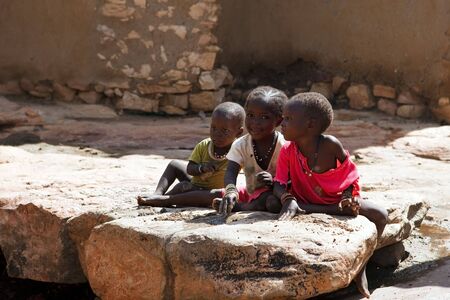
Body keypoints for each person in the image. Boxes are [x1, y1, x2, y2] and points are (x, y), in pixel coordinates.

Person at [273, 92, 388, 298]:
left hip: (337, 202)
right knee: (273, 203)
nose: (282, 122)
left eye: (288, 118)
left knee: (381, 214)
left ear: (311, 125)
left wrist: (347, 197)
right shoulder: (288, 150)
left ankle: (361, 265)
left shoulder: (330, 145)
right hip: (303, 201)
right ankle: (316, 210)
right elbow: (279, 184)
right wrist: (287, 199)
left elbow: (350, 176)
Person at [137, 101, 244, 207]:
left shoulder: (238, 151)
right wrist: (202, 168)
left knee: (182, 186)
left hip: (211, 193)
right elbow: (190, 169)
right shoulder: (204, 145)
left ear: (238, 133)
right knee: (174, 164)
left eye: (224, 130)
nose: (217, 134)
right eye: (213, 128)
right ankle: (158, 194)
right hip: (196, 183)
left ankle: (162, 200)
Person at [216, 86, 288, 215]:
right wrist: (231, 191)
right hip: (251, 191)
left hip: (278, 193)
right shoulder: (241, 144)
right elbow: (231, 171)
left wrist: (274, 181)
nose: (255, 122)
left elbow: (294, 178)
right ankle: (169, 199)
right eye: (250, 115)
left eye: (264, 117)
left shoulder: (284, 146)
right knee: (212, 194)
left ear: (278, 121)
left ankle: (242, 207)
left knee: (271, 201)